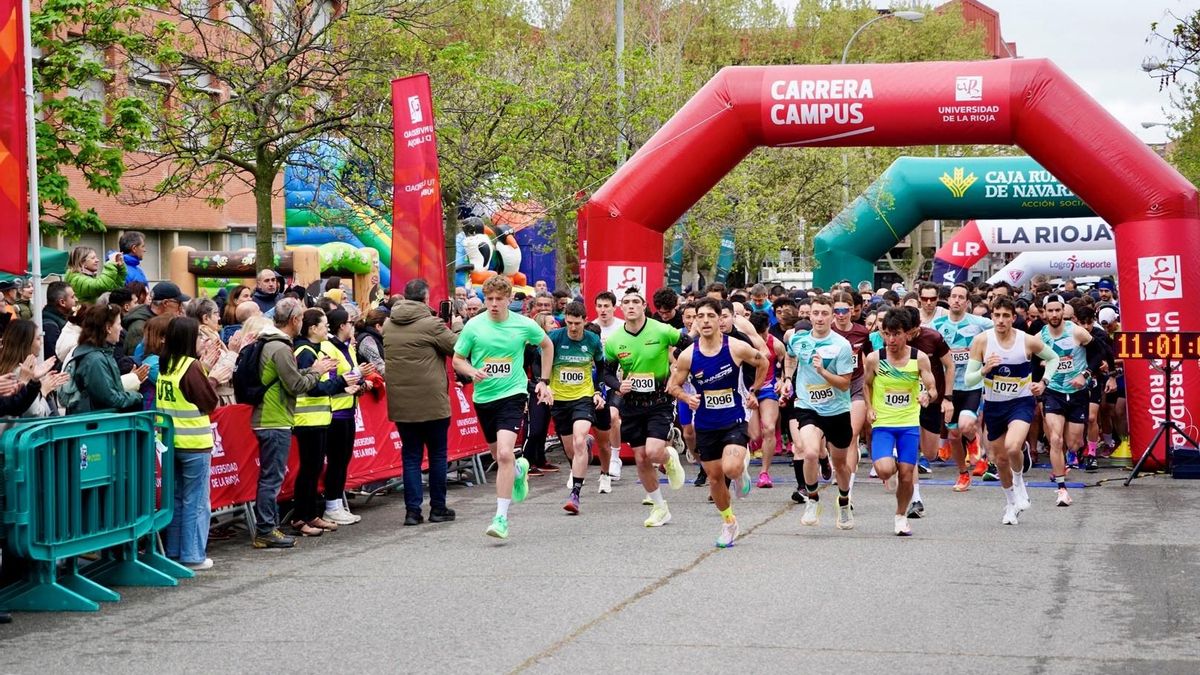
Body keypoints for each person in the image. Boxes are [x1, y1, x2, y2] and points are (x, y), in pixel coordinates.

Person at [453, 275, 553, 540]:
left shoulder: (523, 325)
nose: (494, 304)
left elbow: (547, 345)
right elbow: (457, 360)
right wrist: (473, 372)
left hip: (514, 394)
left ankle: (501, 518)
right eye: (489, 299)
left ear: (510, 299)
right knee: (501, 458)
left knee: (506, 453)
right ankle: (519, 470)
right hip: (484, 398)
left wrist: (544, 381)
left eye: (499, 299)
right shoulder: (474, 326)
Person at [667, 298, 767, 547]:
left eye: (710, 316)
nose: (705, 321)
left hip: (734, 418)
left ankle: (740, 471)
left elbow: (763, 361)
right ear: (695, 321)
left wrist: (753, 391)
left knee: (730, 468)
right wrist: (687, 397)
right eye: (699, 316)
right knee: (714, 478)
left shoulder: (735, 347)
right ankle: (729, 522)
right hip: (706, 422)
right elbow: (673, 386)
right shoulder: (689, 355)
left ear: (719, 319)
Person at [251, 297, 338, 549]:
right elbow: (297, 385)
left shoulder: (273, 342)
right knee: (271, 478)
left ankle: (268, 527)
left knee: (271, 476)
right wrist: (317, 371)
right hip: (273, 418)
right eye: (301, 318)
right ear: (295, 320)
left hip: (272, 416)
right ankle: (266, 529)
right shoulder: (279, 347)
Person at [966, 296, 1058, 525]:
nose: (1000, 320)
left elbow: (1053, 358)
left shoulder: (1026, 341)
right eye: (996, 315)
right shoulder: (981, 341)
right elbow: (969, 380)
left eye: (1005, 316)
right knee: (999, 459)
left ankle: (1019, 480)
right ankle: (1010, 504)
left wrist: (1044, 381)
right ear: (991, 316)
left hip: (1021, 402)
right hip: (994, 405)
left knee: (1012, 446)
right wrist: (984, 370)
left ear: (1013, 318)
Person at [602, 288, 688, 527]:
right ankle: (660, 507)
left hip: (659, 402)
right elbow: (606, 373)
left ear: (643, 306)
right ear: (621, 308)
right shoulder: (615, 340)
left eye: (635, 302)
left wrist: (677, 371)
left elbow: (689, 346)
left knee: (652, 452)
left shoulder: (661, 329)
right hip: (632, 405)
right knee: (640, 459)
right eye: (626, 302)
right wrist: (619, 386)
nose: (630, 306)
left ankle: (668, 456)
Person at [385, 278, 460, 526]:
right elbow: (458, 348)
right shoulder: (432, 324)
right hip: (432, 401)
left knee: (411, 456)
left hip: (402, 403)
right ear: (426, 298)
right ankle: (438, 507)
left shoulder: (388, 324)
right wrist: (457, 327)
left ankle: (412, 511)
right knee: (438, 455)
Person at [779, 295, 856, 529]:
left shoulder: (842, 345)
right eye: (816, 313)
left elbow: (845, 384)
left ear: (832, 316)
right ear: (809, 315)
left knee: (840, 464)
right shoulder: (797, 338)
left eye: (825, 313)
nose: (820, 318)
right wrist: (788, 379)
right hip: (807, 405)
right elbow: (790, 358)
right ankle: (812, 499)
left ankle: (843, 502)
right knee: (809, 452)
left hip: (837, 409)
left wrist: (822, 372)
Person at [158, 317, 224, 570]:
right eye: (197, 336)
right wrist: (212, 377)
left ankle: (174, 551)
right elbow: (209, 402)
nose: (200, 341)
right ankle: (193, 554)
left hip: (170, 442)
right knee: (196, 501)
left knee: (175, 498)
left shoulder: (166, 363)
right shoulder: (191, 366)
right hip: (194, 443)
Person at [864, 309, 938, 536]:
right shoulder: (875, 358)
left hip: (908, 423)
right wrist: (869, 407)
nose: (891, 340)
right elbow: (866, 384)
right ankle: (890, 465)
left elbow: (932, 388)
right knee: (885, 470)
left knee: (907, 474)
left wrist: (927, 396)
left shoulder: (919, 358)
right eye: (886, 334)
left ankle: (900, 516)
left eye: (896, 334)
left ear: (907, 334)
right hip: (883, 423)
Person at [290, 309, 347, 536]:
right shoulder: (304, 351)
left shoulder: (314, 349)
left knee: (314, 469)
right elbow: (311, 388)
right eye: (324, 325)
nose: (328, 329)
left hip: (318, 418)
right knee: (308, 470)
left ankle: (312, 514)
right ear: (312, 328)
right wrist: (342, 382)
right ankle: (300, 517)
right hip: (307, 420)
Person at [932, 283, 994, 491]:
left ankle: (975, 441)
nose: (956, 300)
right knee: (953, 435)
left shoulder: (980, 324)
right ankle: (962, 474)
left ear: (968, 303)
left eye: (961, 297)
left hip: (972, 384)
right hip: (949, 388)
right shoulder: (937, 326)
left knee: (967, 425)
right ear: (948, 300)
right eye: (953, 296)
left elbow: (1002, 332)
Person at [546, 302, 605, 515]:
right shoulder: (554, 337)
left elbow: (602, 366)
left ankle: (575, 496)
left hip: (583, 397)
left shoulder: (592, 340)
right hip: (559, 400)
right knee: (572, 450)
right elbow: (538, 361)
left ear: (585, 321)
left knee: (579, 440)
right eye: (569, 323)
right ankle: (584, 449)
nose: (572, 328)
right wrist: (544, 384)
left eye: (577, 324)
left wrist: (598, 391)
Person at [1038, 294, 1095, 504]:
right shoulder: (1039, 337)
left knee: (1073, 443)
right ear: (1044, 313)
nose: (1054, 314)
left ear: (1063, 311)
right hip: (1053, 392)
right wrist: (1039, 377)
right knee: (1055, 439)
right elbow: (1029, 360)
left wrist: (1086, 374)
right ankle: (1062, 489)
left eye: (1057, 310)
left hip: (1078, 392)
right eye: (1050, 310)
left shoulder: (1077, 332)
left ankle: (1068, 458)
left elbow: (1100, 352)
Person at [901, 306, 954, 518]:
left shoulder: (933, 338)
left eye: (912, 332)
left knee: (931, 453)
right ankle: (916, 498)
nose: (908, 336)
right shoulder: (895, 341)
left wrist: (947, 398)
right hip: (905, 403)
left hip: (932, 400)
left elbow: (949, 366)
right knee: (910, 452)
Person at [63, 304, 148, 414]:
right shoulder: (95, 360)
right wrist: (137, 396)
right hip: (98, 425)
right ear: (108, 328)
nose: (121, 329)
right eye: (119, 324)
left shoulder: (98, 353)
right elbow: (110, 398)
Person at [831, 291, 873, 499]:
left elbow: (870, 357)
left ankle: (848, 486)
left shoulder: (862, 332)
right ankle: (835, 467)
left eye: (845, 310)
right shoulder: (826, 331)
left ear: (853, 310)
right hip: (831, 387)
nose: (840, 315)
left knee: (851, 436)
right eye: (836, 310)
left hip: (855, 385)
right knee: (832, 439)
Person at [0, 320, 70, 422]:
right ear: (26, 343)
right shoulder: (22, 372)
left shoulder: (7, 367)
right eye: (37, 338)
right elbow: (35, 414)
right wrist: (44, 390)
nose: (41, 342)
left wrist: (36, 383)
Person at [593, 291, 623, 481]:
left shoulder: (622, 327)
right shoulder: (591, 327)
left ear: (614, 307)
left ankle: (615, 458)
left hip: (616, 380)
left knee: (614, 417)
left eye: (606, 306)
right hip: (595, 382)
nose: (603, 310)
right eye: (599, 306)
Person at [187, 298, 237, 405]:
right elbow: (224, 373)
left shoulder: (192, 335)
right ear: (205, 318)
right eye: (216, 313)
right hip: (218, 399)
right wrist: (234, 352)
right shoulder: (206, 340)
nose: (219, 318)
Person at [124, 281, 189, 353]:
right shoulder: (140, 327)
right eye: (179, 303)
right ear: (165, 303)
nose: (180, 309)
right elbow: (135, 360)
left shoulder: (161, 322)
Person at [42, 281, 77, 361]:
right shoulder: (50, 326)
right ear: (62, 302)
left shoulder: (60, 319)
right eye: (72, 297)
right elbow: (54, 359)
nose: (76, 299)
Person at [355, 309, 388, 375]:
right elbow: (379, 366)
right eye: (387, 325)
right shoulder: (367, 340)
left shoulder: (376, 337)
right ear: (378, 326)